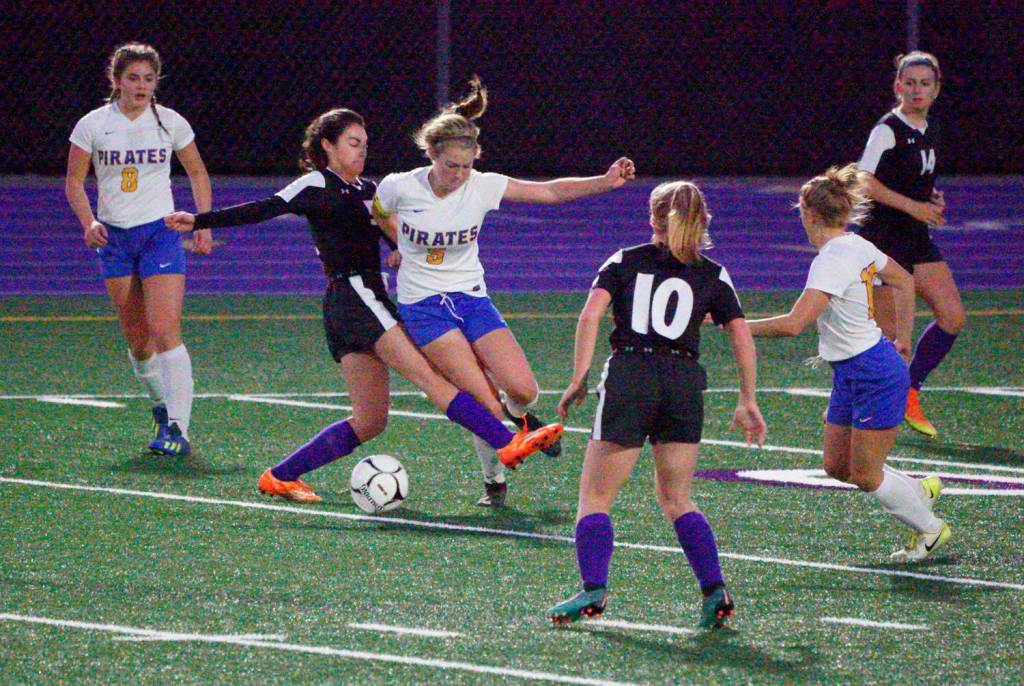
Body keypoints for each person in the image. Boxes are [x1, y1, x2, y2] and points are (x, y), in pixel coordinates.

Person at [165, 108, 562, 503]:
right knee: (431, 378)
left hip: (353, 303)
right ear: (327, 146)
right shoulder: (316, 184)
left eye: (365, 145)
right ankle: (507, 441)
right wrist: (200, 221)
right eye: (353, 143)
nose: (361, 152)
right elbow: (265, 207)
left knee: (370, 420)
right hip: (356, 296)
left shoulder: (368, 191)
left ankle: (280, 476)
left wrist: (398, 251)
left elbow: (390, 230)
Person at [372, 77, 636, 507]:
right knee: (484, 401)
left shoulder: (482, 185)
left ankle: (521, 418)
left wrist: (604, 181)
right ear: (432, 154)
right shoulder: (399, 187)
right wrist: (397, 247)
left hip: (472, 298)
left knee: (524, 390)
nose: (459, 175)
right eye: (451, 165)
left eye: (467, 165)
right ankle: (494, 481)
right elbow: (379, 215)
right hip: (423, 308)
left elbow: (549, 191)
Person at [544, 181, 766, 629]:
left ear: (652, 220)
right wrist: (748, 398)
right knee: (678, 498)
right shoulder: (714, 273)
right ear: (702, 222)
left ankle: (593, 590)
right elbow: (740, 333)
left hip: (632, 376)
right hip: (684, 381)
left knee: (596, 498)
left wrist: (578, 378)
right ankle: (714, 590)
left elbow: (590, 315)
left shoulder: (625, 260)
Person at [748, 164, 951, 563]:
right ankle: (915, 489)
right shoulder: (856, 245)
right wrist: (903, 338)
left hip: (873, 372)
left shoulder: (831, 260)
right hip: (853, 370)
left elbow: (793, 325)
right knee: (836, 465)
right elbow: (903, 280)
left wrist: (734, 325)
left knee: (864, 474)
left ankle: (930, 528)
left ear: (808, 213)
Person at [65, 43, 213, 457]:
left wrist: (203, 221)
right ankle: (161, 407)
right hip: (114, 238)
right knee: (138, 341)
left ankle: (179, 430)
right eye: (133, 78)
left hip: (159, 233)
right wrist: (89, 221)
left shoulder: (170, 123)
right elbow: (74, 182)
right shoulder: (93, 125)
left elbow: (197, 171)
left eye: (149, 78)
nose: (142, 86)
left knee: (165, 328)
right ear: (116, 81)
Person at [857, 51, 962, 438]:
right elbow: (864, 179)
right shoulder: (887, 128)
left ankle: (909, 391)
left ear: (936, 90)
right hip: (885, 241)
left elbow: (917, 177)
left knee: (952, 316)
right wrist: (913, 206)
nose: (917, 90)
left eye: (925, 83)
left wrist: (932, 199)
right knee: (887, 341)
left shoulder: (929, 128)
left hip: (916, 239)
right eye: (910, 82)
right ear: (897, 86)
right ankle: (860, 409)